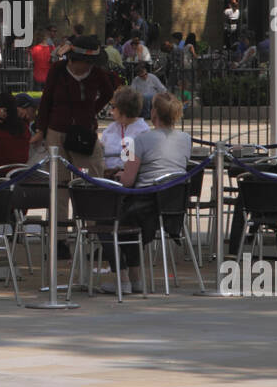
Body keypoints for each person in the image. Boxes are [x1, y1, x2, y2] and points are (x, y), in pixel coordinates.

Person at [99, 92, 192, 295]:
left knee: (106, 223)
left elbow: (128, 181)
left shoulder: (141, 140)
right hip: (172, 204)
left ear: (154, 112)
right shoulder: (186, 139)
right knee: (127, 221)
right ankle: (135, 278)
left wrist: (120, 173)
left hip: (145, 203)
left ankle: (124, 278)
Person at [33, 35, 117, 217]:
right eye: (85, 62)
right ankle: (60, 236)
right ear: (72, 59)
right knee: (59, 183)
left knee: (91, 179)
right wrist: (41, 129)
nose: (88, 66)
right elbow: (46, 99)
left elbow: (108, 92)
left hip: (84, 133)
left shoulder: (96, 73)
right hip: (56, 132)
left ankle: (94, 231)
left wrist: (90, 111)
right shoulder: (57, 70)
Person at [101, 87, 150, 176]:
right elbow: (101, 154)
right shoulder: (111, 128)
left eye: (113, 107)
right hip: (107, 176)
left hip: (129, 178)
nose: (111, 111)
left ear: (122, 109)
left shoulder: (143, 131)